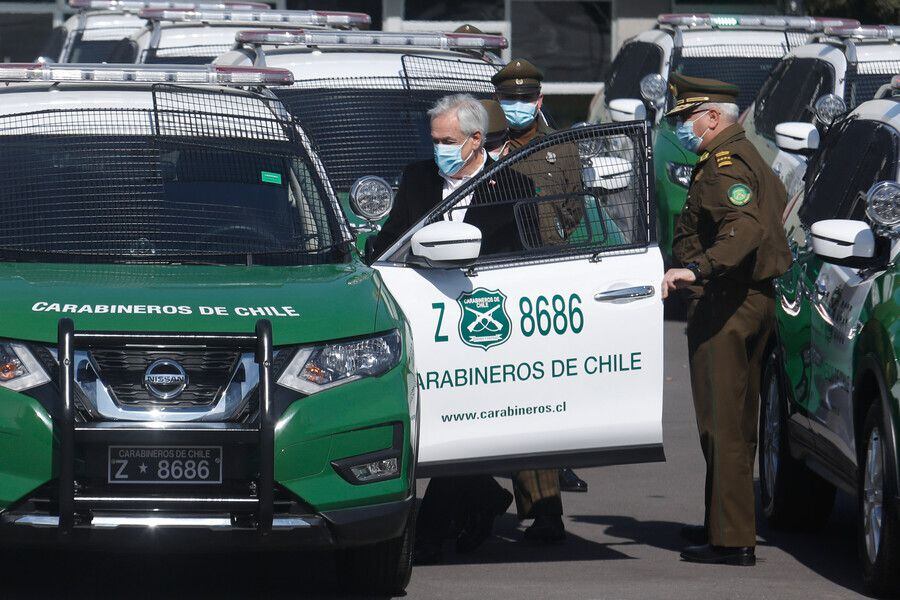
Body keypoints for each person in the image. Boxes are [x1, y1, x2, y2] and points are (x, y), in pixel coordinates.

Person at [370, 94, 532, 565]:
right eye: (435, 139)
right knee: (435, 419)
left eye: (448, 141)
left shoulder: (512, 184)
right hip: (425, 316)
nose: (438, 148)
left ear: (476, 139)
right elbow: (391, 239)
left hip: (484, 321)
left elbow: (525, 255)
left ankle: (434, 529)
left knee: (466, 419)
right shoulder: (418, 177)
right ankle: (479, 498)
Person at [661, 73, 792, 566]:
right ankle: (724, 520)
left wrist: (697, 267)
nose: (682, 128)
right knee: (736, 419)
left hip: (727, 302)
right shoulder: (747, 153)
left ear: (713, 117)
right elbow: (774, 206)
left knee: (722, 423)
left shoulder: (722, 165)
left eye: (686, 118)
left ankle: (733, 537)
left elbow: (747, 226)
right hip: (750, 300)